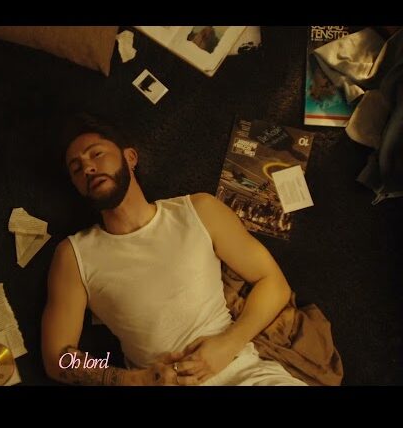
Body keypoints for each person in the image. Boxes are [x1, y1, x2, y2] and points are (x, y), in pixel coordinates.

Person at [41, 114, 307, 386]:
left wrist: (229, 343)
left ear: (130, 157)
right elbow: (57, 359)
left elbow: (273, 283)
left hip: (245, 372)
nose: (88, 168)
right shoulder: (73, 255)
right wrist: (136, 380)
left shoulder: (198, 210)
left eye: (96, 154)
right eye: (76, 168)